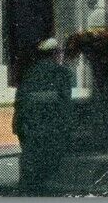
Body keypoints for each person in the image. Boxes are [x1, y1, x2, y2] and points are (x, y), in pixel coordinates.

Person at [12, 36, 74, 194]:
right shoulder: (62, 73)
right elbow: (64, 103)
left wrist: (19, 126)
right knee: (48, 172)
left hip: (29, 127)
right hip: (50, 129)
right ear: (54, 54)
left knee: (30, 170)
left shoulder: (29, 72)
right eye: (59, 52)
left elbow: (20, 102)